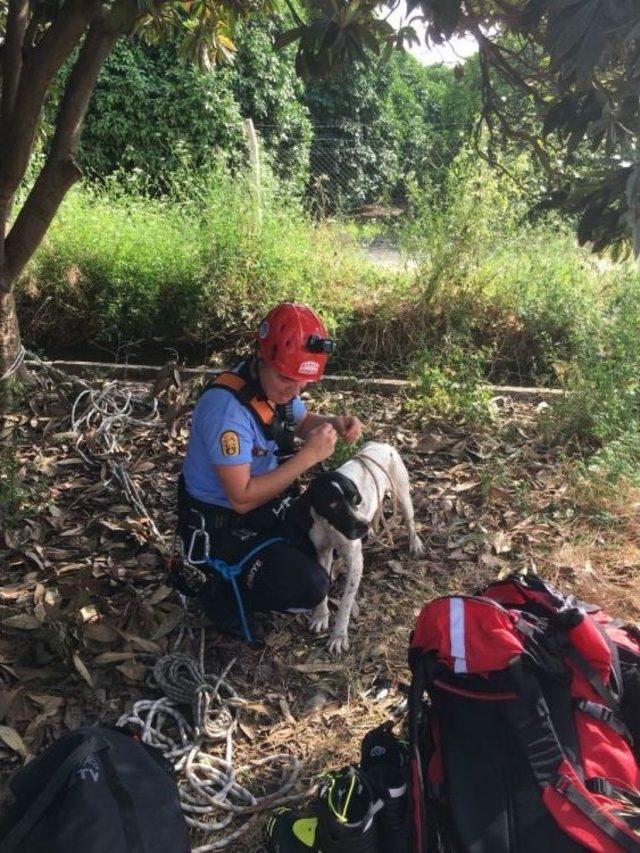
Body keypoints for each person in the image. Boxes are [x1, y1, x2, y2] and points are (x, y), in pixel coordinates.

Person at [177, 302, 363, 638]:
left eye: (303, 382)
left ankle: (271, 561)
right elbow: (241, 498)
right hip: (224, 524)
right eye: (286, 379)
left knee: (335, 492)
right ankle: (224, 592)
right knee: (310, 585)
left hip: (268, 508)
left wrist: (332, 423)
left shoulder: (273, 385)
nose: (293, 390)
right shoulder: (227, 413)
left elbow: (300, 420)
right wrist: (307, 458)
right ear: (262, 358)